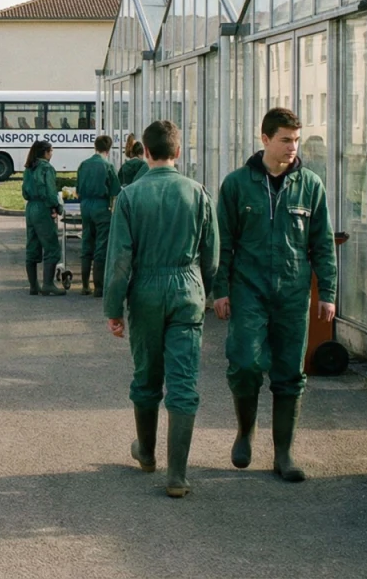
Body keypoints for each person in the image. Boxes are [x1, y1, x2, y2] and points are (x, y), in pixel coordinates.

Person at [213, 108, 337, 483]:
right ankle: (245, 433)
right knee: (246, 364)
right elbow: (224, 243)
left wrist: (327, 292)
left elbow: (323, 244)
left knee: (290, 373)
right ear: (264, 138)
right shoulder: (237, 185)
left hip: (292, 292)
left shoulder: (311, 185)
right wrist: (220, 290)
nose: (292, 147)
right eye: (285, 139)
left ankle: (284, 452)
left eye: (296, 140)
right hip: (248, 290)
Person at [105, 120, 219, 498]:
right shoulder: (198, 193)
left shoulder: (130, 196)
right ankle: (178, 475)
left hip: (147, 291)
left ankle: (147, 452)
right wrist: (205, 289)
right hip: (187, 287)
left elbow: (120, 259)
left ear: (146, 153)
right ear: (178, 152)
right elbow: (211, 253)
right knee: (183, 381)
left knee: (146, 375)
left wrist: (114, 308)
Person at [76, 135, 122, 297]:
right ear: (109, 150)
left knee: (86, 241)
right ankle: (99, 286)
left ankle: (84, 285)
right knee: (101, 244)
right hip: (101, 206)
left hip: (85, 206)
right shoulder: (107, 166)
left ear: (95, 147)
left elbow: (78, 189)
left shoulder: (84, 165)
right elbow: (115, 190)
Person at [22, 140, 65, 296]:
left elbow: (25, 191)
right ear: (46, 152)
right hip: (43, 208)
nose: (52, 154)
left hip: (31, 207)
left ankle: (34, 286)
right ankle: (48, 283)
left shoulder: (29, 168)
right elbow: (51, 192)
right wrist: (57, 208)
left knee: (32, 246)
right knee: (51, 246)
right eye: (51, 151)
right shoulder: (47, 168)